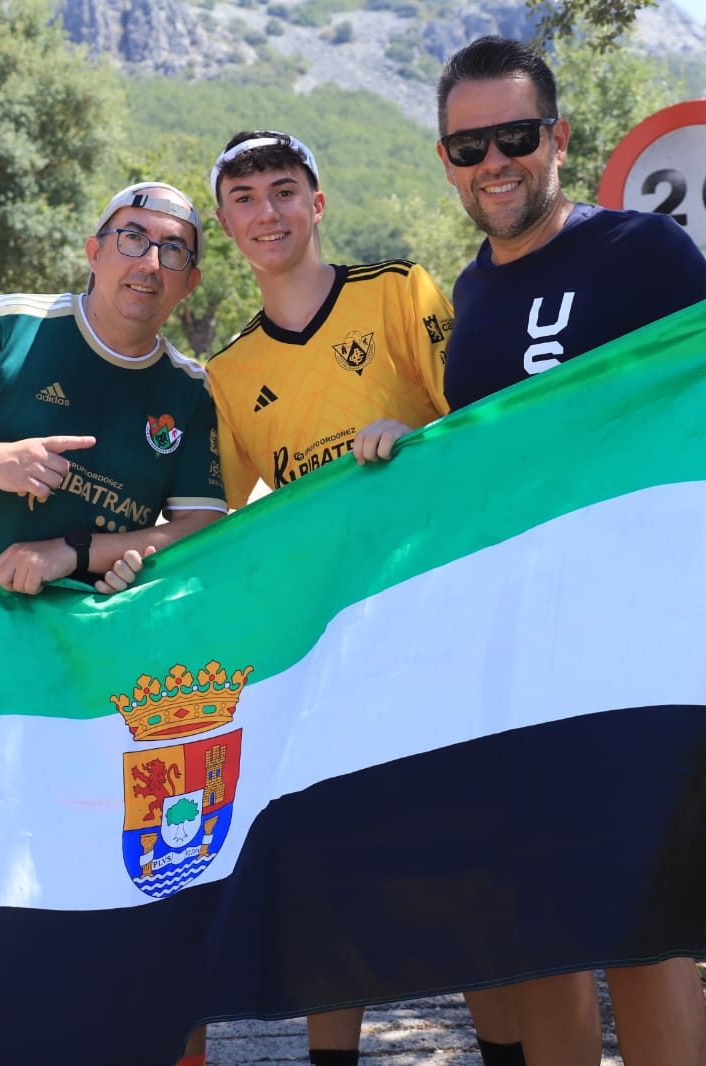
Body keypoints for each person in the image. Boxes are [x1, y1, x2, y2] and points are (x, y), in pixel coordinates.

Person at [432, 35, 706, 1066]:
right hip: (513, 659)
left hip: (636, 648)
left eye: (514, 136)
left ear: (556, 138)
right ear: (445, 161)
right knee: (544, 926)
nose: (493, 162)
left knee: (645, 930)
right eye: (468, 146)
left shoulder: (637, 251)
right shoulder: (465, 299)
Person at [0, 181, 229, 1066]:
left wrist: (78, 549)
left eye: (173, 250)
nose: (149, 261)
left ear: (191, 284)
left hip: (98, 683)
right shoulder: (9, 327)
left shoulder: (188, 391)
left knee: (111, 885)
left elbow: (200, 532)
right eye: (131, 239)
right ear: (94, 251)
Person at [196, 128, 536, 1066]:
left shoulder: (400, 292)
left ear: (317, 202)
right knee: (327, 875)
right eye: (245, 198)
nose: (266, 211)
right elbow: (212, 530)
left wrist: (415, 441)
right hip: (332, 654)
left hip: (444, 627)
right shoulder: (227, 373)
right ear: (227, 223)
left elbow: (485, 426)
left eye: (282, 190)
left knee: (468, 868)